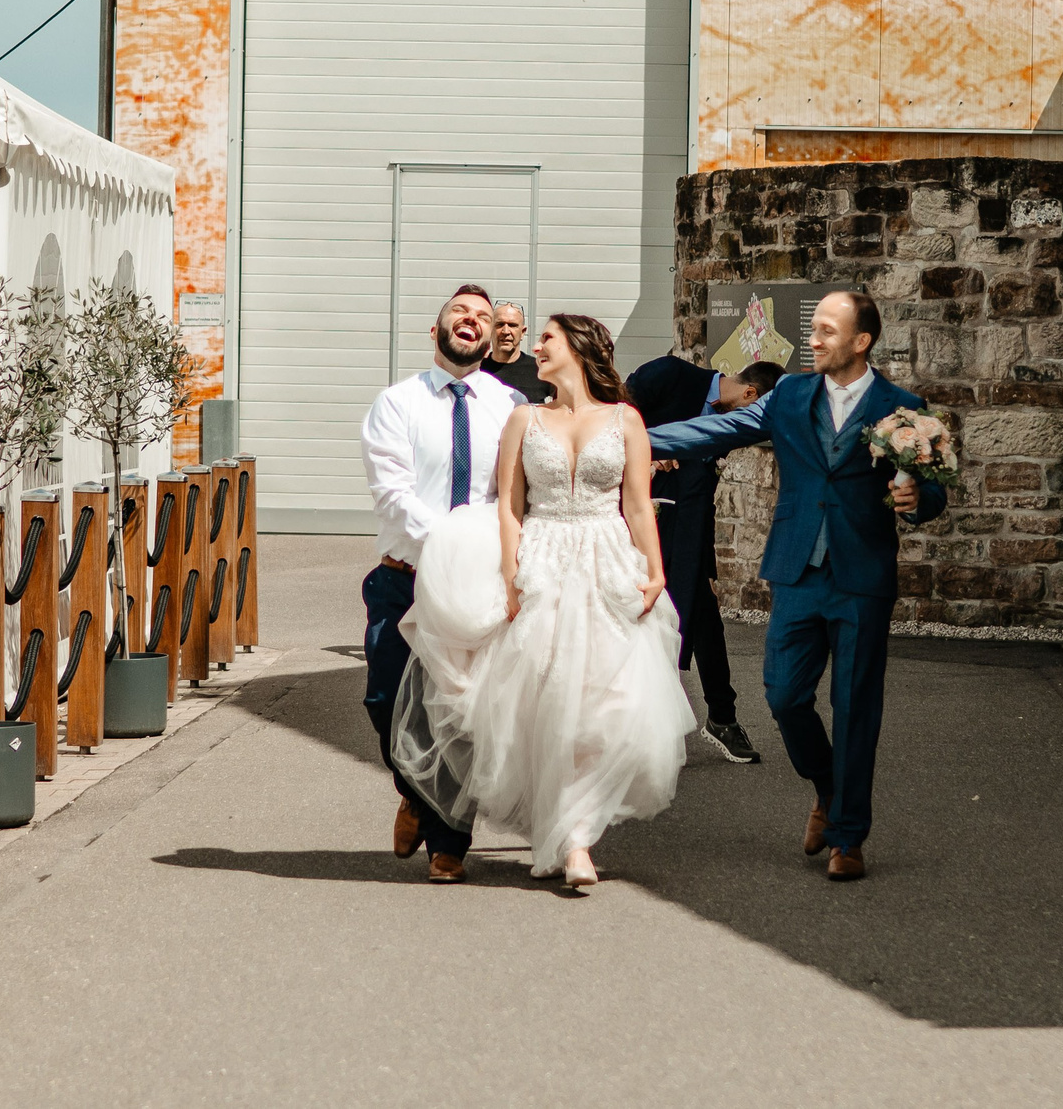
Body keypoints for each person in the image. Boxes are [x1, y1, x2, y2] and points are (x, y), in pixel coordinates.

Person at [646, 291, 946, 882]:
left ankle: (849, 837)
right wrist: (631, 437)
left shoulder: (902, 407)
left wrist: (918, 500)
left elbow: (930, 486)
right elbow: (720, 428)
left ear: (861, 342)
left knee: (856, 706)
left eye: (828, 331)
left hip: (862, 576)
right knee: (783, 695)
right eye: (815, 329)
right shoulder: (788, 395)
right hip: (797, 569)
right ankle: (828, 790)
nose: (814, 339)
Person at [394, 313, 692, 888]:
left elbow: (637, 504)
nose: (535, 347)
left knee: (602, 705)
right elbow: (510, 503)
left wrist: (656, 571)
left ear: (578, 349)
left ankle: (577, 839)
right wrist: (511, 571)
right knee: (547, 704)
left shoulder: (626, 420)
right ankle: (564, 835)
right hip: (545, 560)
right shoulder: (524, 418)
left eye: (547, 339)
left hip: (608, 563)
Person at [358, 283, 518, 884]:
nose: (471, 321)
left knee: (460, 711)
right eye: (460, 312)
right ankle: (416, 792)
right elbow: (393, 496)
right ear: (437, 329)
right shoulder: (397, 403)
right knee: (383, 699)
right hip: (406, 578)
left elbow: (513, 495)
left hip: (475, 585)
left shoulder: (508, 406)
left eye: (482, 315)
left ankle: (451, 842)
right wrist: (450, 546)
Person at [625, 352, 784, 763]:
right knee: (637, 618)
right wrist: (649, 452)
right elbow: (611, 413)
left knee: (701, 615)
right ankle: (639, 726)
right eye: (756, 413)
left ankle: (720, 718)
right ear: (751, 392)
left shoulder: (729, 419)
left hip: (691, 527)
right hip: (636, 521)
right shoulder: (671, 372)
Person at [479, 302, 551, 403]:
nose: (506, 331)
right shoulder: (476, 369)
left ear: (522, 332)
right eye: (500, 325)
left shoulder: (541, 370)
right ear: (490, 329)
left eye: (512, 325)